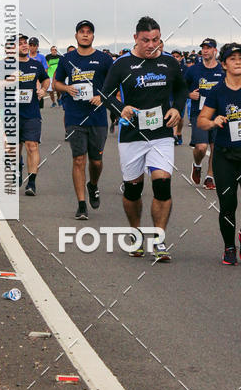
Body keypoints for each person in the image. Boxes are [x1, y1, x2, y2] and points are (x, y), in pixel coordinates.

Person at [101, 16, 187, 262]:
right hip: (131, 135)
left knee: (162, 184)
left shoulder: (169, 62)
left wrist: (177, 108)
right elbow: (105, 94)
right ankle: (136, 233)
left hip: (161, 134)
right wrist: (121, 108)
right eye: (146, 40)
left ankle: (159, 240)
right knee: (133, 189)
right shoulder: (122, 64)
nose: (152, 45)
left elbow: (181, 89)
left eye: (156, 40)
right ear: (135, 38)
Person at [198, 42, 241, 265]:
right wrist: (213, 121)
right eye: (233, 58)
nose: (238, 62)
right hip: (224, 156)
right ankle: (229, 247)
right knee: (228, 205)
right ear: (225, 64)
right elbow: (201, 121)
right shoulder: (217, 91)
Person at [53, 21, 112, 219]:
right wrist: (67, 88)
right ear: (76, 36)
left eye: (89, 32)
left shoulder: (104, 59)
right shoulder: (67, 59)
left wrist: (102, 97)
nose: (85, 35)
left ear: (93, 36)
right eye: (82, 32)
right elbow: (56, 83)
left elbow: (114, 84)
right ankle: (81, 204)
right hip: (74, 116)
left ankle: (93, 185)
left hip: (97, 118)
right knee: (78, 159)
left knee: (96, 162)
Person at [185, 39, 224, 189]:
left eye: (209, 48)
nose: (205, 51)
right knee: (201, 147)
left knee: (216, 148)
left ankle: (209, 177)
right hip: (199, 114)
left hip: (218, 115)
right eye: (203, 48)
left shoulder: (222, 70)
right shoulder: (193, 70)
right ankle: (197, 164)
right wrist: (189, 95)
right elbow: (180, 88)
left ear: (215, 50)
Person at [16, 34, 49, 196]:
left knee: (32, 146)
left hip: (32, 112)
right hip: (12, 114)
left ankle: (31, 183)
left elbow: (46, 79)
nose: (24, 46)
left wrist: (43, 90)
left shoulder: (36, 65)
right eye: (20, 43)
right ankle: (17, 168)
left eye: (25, 43)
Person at [171, 50, 188, 146]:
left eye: (177, 56)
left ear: (181, 58)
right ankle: (173, 135)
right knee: (173, 115)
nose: (175, 58)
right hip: (169, 96)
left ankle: (179, 133)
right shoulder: (166, 67)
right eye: (173, 56)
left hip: (180, 96)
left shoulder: (185, 69)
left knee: (180, 118)